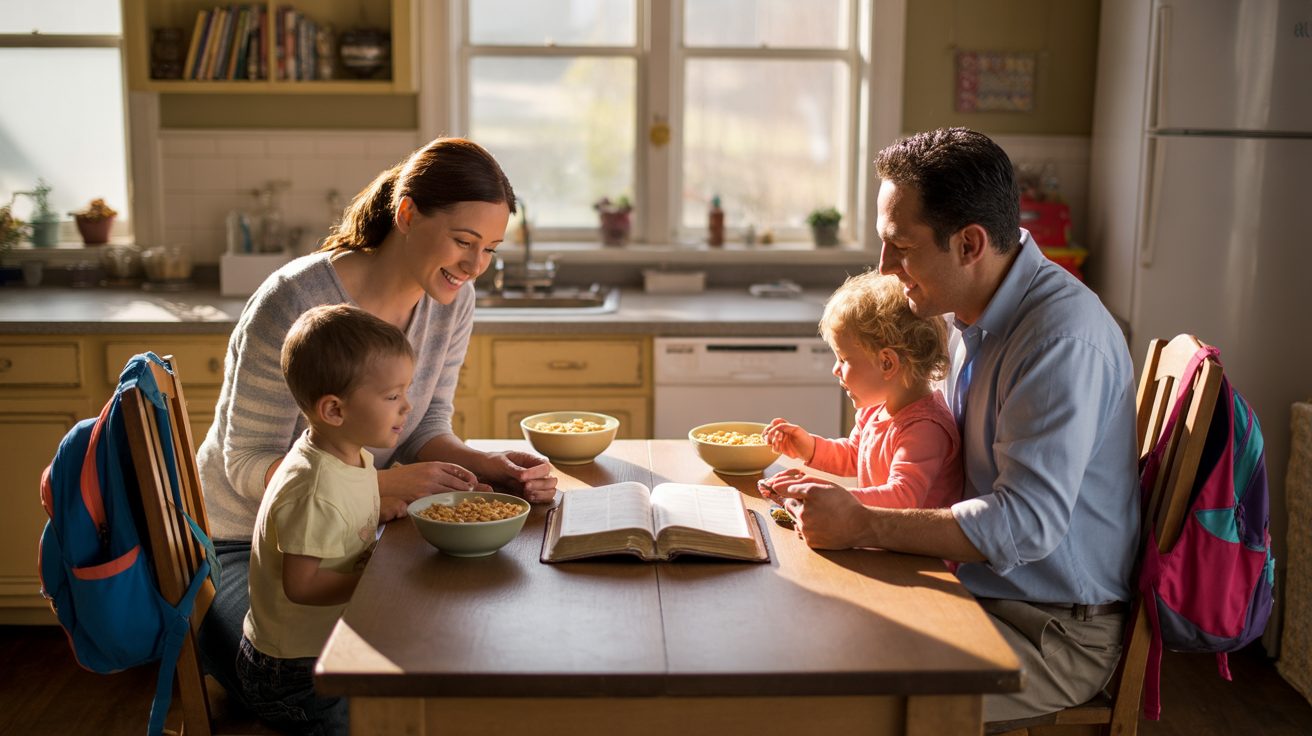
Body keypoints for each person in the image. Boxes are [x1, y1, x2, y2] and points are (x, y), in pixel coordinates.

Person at [766, 127, 1140, 721]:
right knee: (797, 632)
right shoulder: (969, 312)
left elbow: (1026, 524)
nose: (887, 269)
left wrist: (866, 520)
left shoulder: (1057, 342)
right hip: (984, 592)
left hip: (1051, 633)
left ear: (969, 244)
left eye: (902, 247)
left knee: (830, 699)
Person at [196, 137, 559, 706]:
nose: (474, 266)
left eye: (490, 249)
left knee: (458, 634)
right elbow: (241, 464)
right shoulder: (293, 302)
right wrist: (377, 486)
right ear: (408, 213)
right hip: (248, 549)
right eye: (464, 242)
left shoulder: (451, 301)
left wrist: (486, 466)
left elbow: (424, 425)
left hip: (360, 530)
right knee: (355, 684)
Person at [238, 304, 412, 734]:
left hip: (320, 647)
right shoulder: (313, 487)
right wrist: (376, 579)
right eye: (393, 396)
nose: (406, 406)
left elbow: (341, 519)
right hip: (292, 672)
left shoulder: (347, 455)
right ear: (334, 411)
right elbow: (302, 586)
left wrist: (375, 511)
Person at [759, 270, 961, 510]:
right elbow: (856, 455)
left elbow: (902, 497)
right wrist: (809, 447)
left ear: (887, 363)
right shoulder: (877, 408)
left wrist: (831, 496)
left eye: (844, 359)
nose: (836, 369)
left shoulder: (925, 429)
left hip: (914, 546)